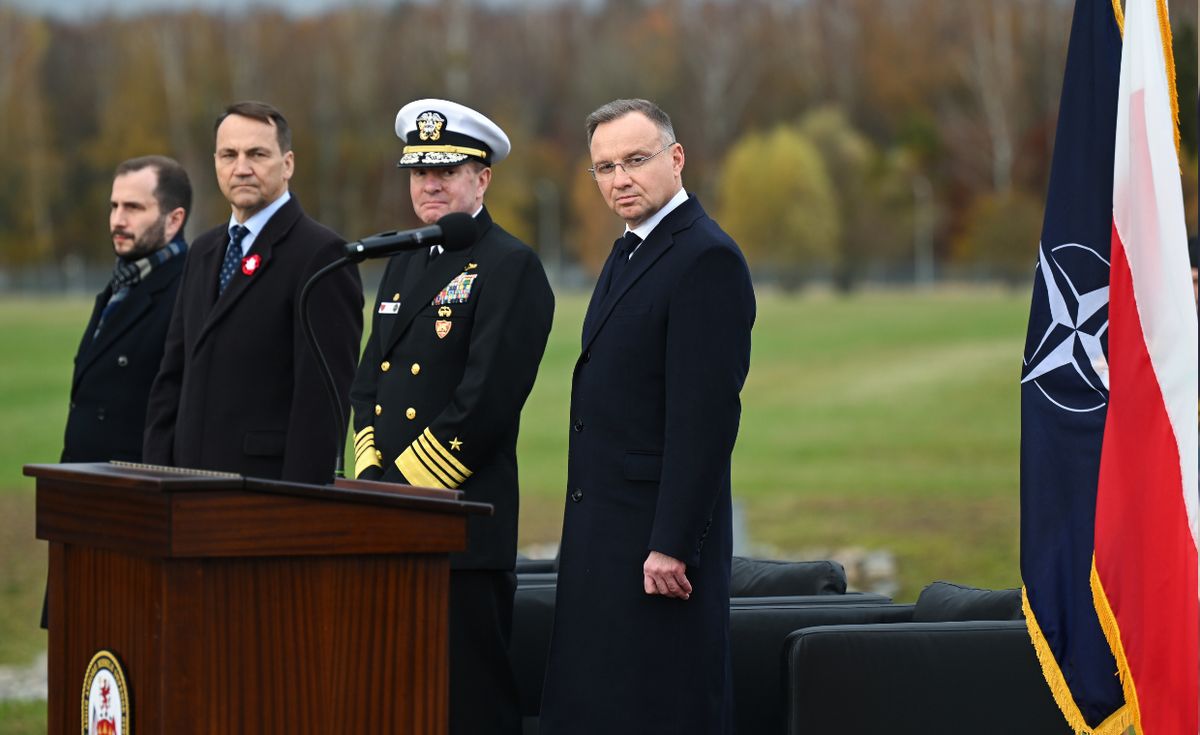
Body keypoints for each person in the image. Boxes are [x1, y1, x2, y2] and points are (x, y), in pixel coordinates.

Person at [539, 98, 755, 735]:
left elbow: (705, 419)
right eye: (604, 168)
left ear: (676, 157)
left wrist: (672, 544)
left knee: (658, 705)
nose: (619, 179)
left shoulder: (705, 257)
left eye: (635, 160)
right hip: (605, 532)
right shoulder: (630, 249)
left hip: (658, 552)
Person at [349, 98, 554, 735]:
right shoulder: (407, 260)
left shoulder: (510, 265)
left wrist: (403, 492)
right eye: (419, 173)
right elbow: (368, 385)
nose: (430, 185)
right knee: (392, 701)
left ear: (483, 178)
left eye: (447, 171)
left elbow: (485, 402)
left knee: (468, 706)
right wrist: (367, 477)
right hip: (388, 522)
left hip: (461, 527)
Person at [143, 101, 363, 484]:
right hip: (184, 489)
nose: (241, 167)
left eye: (257, 154)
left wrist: (295, 507)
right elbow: (172, 377)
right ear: (216, 162)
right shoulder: (203, 250)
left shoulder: (322, 256)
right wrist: (155, 476)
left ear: (288, 163)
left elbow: (321, 406)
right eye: (229, 154)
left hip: (262, 496)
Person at [62, 156, 192, 463]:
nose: (118, 219)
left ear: (174, 220)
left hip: (135, 491)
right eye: (114, 206)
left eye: (133, 207)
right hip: (81, 484)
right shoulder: (121, 284)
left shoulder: (190, 291)